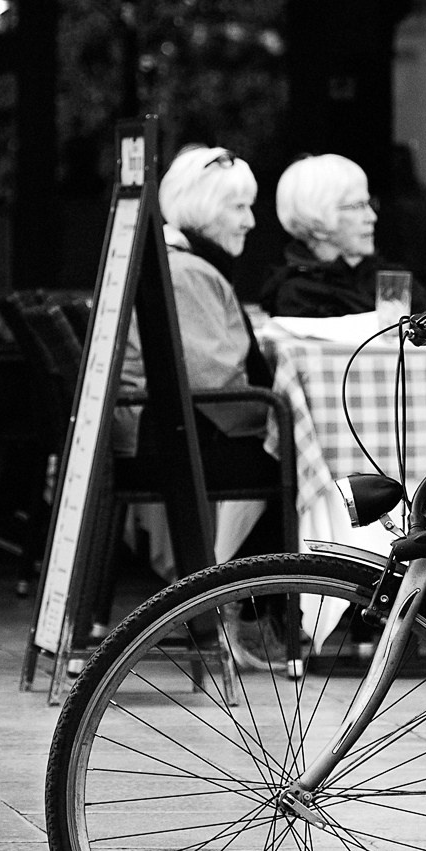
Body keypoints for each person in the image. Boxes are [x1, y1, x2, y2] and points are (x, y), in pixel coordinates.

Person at [115, 146, 281, 564]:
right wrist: (292, 419)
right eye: (238, 207)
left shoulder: (178, 262)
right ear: (204, 210)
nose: (251, 221)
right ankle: (238, 599)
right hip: (168, 441)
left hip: (161, 430)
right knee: (305, 462)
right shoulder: (187, 271)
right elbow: (215, 385)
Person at [259, 154, 384, 317]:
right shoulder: (298, 296)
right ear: (318, 224)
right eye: (358, 206)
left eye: (369, 203)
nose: (372, 217)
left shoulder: (390, 282)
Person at [374, 142, 426, 294]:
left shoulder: (424, 197)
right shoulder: (385, 201)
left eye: (402, 163)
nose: (398, 168)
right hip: (395, 268)